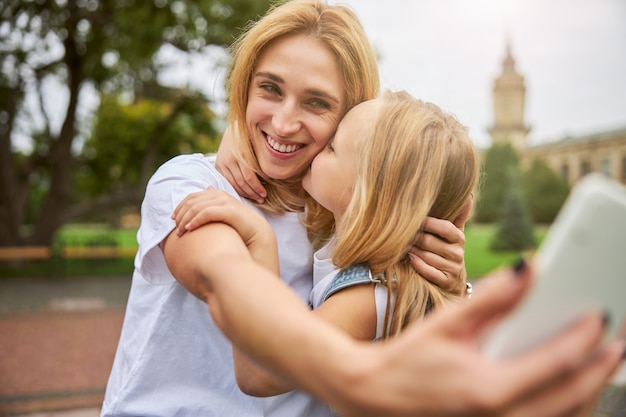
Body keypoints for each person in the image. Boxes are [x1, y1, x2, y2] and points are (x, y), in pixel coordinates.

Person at [101, 2, 467, 416]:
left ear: (351, 121)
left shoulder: (346, 226)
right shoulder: (191, 183)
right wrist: (259, 241)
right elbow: (220, 275)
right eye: (270, 89)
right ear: (244, 88)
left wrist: (450, 282)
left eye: (316, 103)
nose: (282, 123)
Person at [173, 90, 481, 416]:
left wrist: (261, 242)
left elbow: (260, 374)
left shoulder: (370, 296)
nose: (320, 147)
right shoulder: (380, 275)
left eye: (333, 146)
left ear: (366, 194)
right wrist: (243, 133)